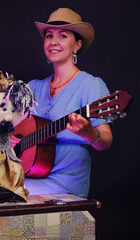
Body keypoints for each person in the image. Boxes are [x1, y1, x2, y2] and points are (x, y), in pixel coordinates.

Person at [24, 8, 113, 198]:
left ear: (77, 45)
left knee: (5, 197)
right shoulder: (32, 88)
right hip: (30, 173)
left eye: (62, 36)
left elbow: (105, 141)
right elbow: (10, 128)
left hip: (66, 181)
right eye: (49, 36)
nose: (53, 42)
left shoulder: (91, 85)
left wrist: (89, 133)